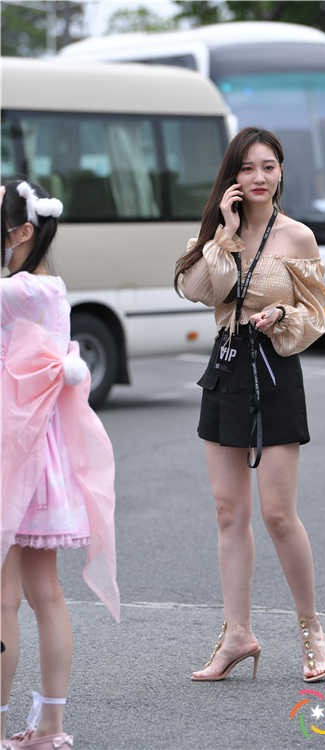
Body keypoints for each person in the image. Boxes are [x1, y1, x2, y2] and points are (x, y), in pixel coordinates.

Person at [175, 126, 325, 682]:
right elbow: (200, 290)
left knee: (277, 514)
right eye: (247, 168)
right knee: (228, 511)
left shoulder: (298, 237)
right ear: (232, 177)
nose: (259, 177)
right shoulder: (222, 233)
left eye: (268, 166)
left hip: (274, 367)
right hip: (226, 366)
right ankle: (237, 634)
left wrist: (282, 315)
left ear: (281, 171)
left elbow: (316, 314)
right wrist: (224, 232)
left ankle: (311, 629)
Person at [0, 180, 120, 750]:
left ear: (22, 230)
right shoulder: (49, 287)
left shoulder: (19, 291)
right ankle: (50, 726)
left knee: (5, 596)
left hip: (14, 454)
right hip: (39, 455)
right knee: (43, 592)